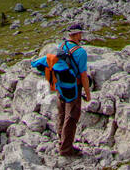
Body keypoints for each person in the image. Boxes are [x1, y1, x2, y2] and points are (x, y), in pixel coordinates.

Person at [32, 24, 100, 156]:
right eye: (80, 33)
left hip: (60, 87)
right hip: (74, 88)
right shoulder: (80, 52)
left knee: (62, 114)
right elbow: (83, 75)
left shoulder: (61, 47)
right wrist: (88, 93)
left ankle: (61, 141)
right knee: (72, 117)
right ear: (77, 34)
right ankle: (66, 149)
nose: (81, 36)